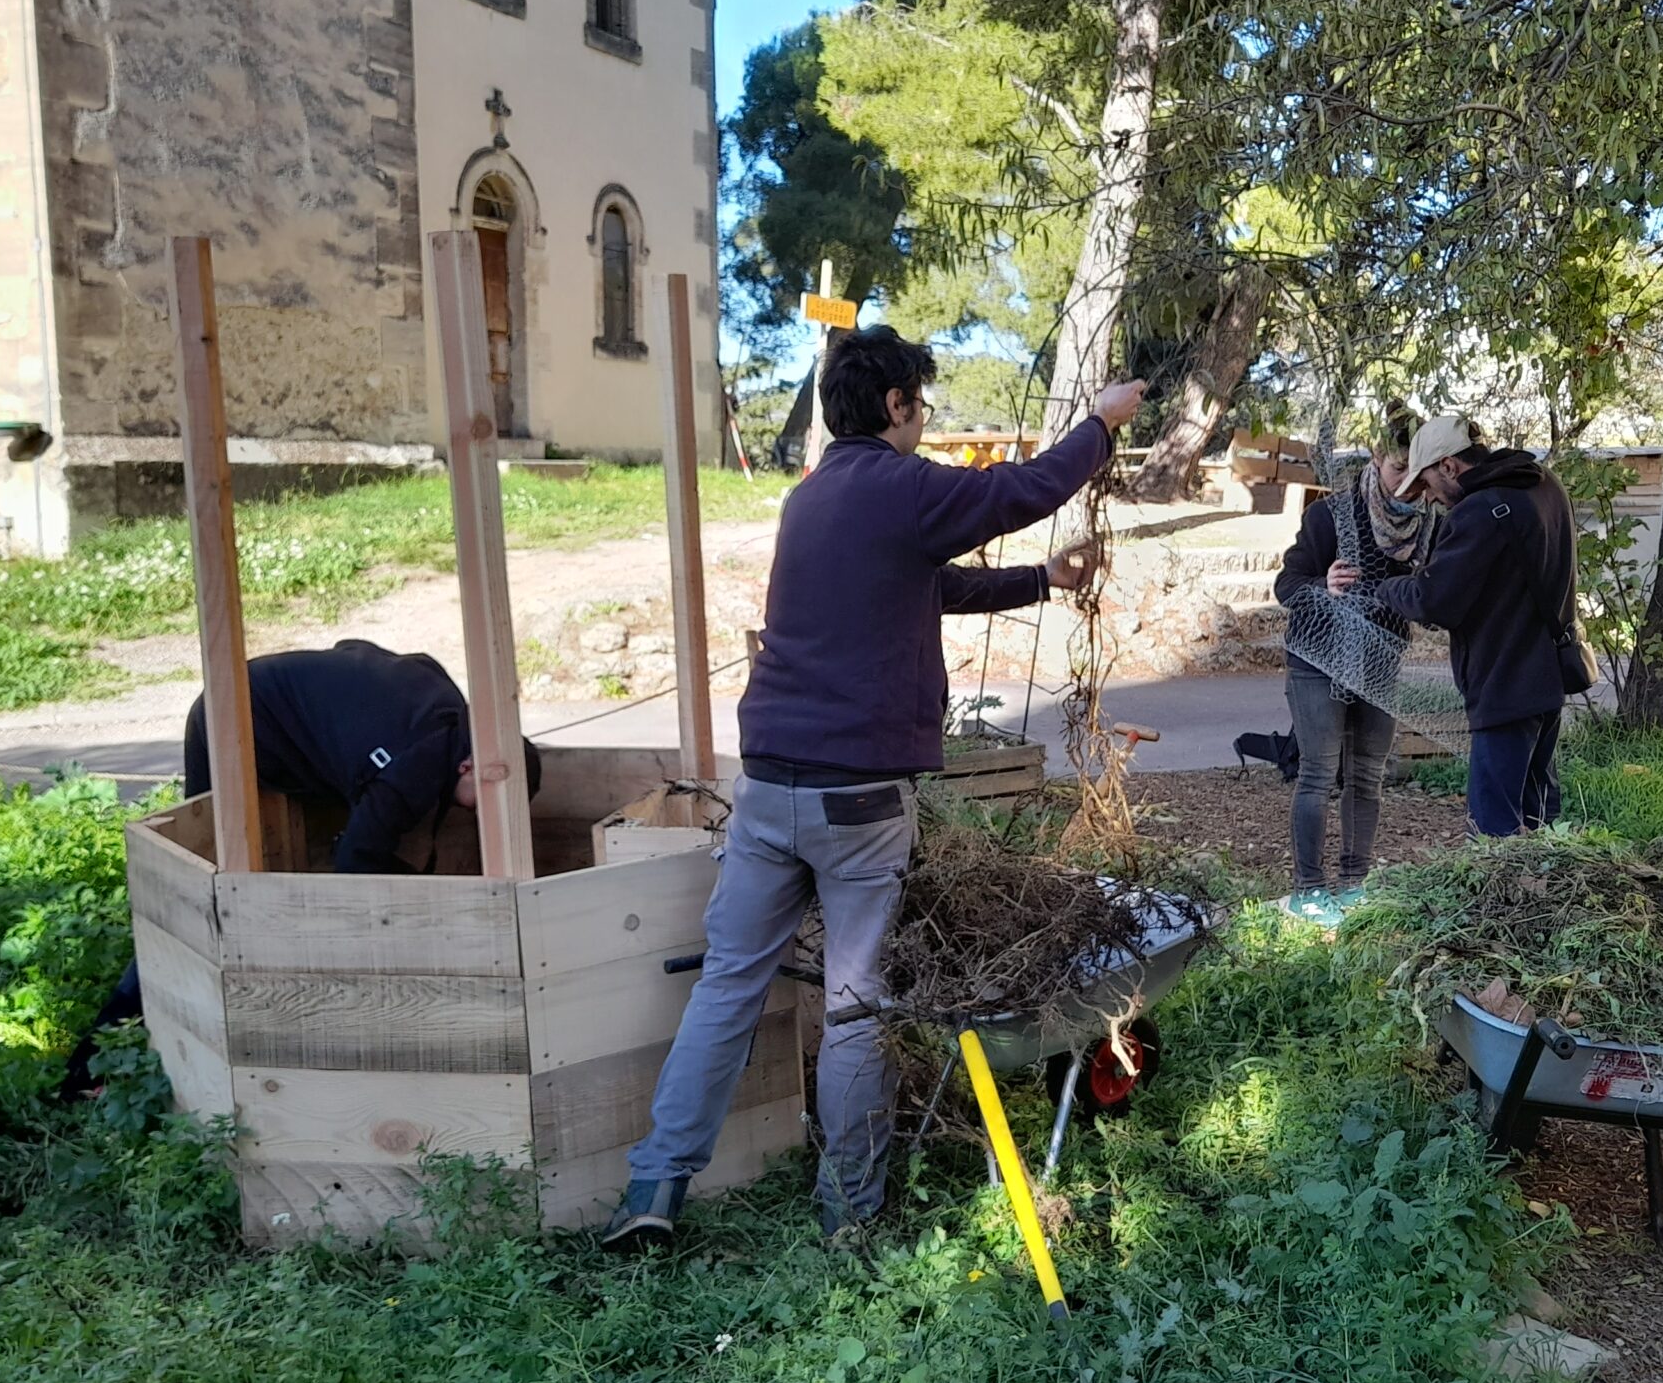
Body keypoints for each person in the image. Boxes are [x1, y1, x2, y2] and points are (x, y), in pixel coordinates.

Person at [602, 327, 1149, 1249]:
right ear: (895, 404)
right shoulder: (903, 487)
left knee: (728, 986)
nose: (923, 419)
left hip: (766, 788)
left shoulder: (811, 499)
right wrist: (1100, 426)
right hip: (857, 803)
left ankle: (654, 1185)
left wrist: (1040, 581)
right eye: (920, 404)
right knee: (856, 1005)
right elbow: (1021, 491)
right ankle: (849, 1210)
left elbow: (921, 585)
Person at [63, 640, 536, 1096]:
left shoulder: (452, 713)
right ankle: (93, 1063)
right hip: (235, 718)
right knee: (196, 900)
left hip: (265, 693)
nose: (483, 817)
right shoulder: (410, 769)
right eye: (486, 803)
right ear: (468, 766)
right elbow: (354, 873)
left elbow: (357, 647)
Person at [1343, 415, 1580, 837]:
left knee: (1491, 833)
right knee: (1542, 824)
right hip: (1549, 679)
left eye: (1428, 482)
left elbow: (1434, 602)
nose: (1430, 497)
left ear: (1450, 466)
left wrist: (1384, 586)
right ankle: (1547, 879)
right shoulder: (1545, 485)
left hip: (1503, 686)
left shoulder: (1479, 511)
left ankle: (1504, 883)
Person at [1272, 442, 1424, 917]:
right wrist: (1323, 585)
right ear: (1377, 458)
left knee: (1367, 777)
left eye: (1417, 472)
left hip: (1379, 663)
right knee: (1318, 774)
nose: (1408, 482)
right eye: (1399, 468)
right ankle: (1309, 890)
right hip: (1318, 662)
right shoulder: (1330, 515)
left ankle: (1355, 883)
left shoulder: (1426, 524)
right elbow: (1286, 586)